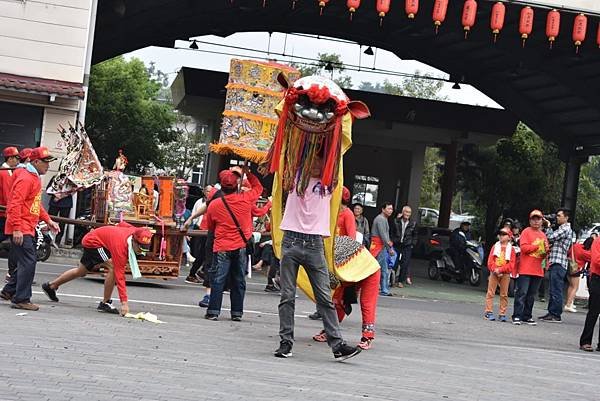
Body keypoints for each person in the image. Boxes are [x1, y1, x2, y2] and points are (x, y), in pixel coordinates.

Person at [274, 156, 361, 361]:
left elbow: (337, 156)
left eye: (319, 162)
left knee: (324, 298)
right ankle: (286, 342)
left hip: (315, 245)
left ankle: (337, 345)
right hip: (291, 241)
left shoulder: (328, 185)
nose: (315, 165)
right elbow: (285, 157)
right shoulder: (293, 179)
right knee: (287, 296)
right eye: (311, 161)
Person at [312, 187, 381, 350]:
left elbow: (350, 240)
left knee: (366, 303)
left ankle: (367, 336)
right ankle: (330, 331)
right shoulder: (330, 213)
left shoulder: (347, 214)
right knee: (339, 299)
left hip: (360, 265)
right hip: (344, 264)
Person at [42, 224, 152, 315]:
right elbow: (120, 276)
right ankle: (105, 302)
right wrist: (124, 303)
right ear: (133, 240)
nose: (141, 252)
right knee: (113, 267)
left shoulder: (134, 232)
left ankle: (51, 286)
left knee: (81, 271)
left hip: (98, 240)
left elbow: (124, 225)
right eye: (140, 248)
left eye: (144, 249)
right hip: (93, 243)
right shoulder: (120, 248)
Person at [0, 147, 60, 310]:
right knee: (29, 261)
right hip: (22, 226)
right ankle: (21, 299)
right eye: (45, 162)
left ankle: (8, 291)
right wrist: (17, 228)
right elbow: (14, 204)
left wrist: (48, 220)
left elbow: (34, 204)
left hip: (26, 226)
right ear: (35, 162)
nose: (48, 166)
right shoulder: (27, 178)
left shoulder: (32, 176)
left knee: (26, 261)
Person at [204, 167, 262, 321]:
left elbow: (211, 227)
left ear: (221, 186)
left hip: (222, 246)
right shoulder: (246, 199)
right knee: (239, 280)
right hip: (241, 246)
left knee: (218, 279)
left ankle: (213, 311)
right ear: (236, 185)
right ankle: (237, 313)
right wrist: (248, 173)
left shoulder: (214, 204)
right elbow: (258, 188)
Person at [511, 210, 549, 326]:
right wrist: (538, 246)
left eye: (538, 219)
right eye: (534, 219)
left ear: (542, 221)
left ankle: (527, 316)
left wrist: (546, 251)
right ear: (530, 220)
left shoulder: (543, 235)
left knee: (531, 294)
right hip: (526, 268)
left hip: (538, 269)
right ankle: (517, 315)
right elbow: (524, 248)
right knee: (522, 292)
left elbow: (544, 253)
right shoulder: (526, 232)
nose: (536, 221)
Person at [539, 208, 573, 323]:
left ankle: (556, 314)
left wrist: (548, 226)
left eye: (559, 215)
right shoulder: (562, 228)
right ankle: (551, 312)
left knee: (556, 289)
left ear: (566, 217)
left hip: (559, 262)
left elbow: (550, 237)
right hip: (555, 262)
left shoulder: (566, 229)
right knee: (553, 289)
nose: (557, 217)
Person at [484, 228, 516, 322]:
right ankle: (488, 311)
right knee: (490, 292)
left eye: (504, 234)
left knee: (504, 294)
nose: (501, 236)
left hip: (505, 273)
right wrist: (495, 269)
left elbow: (511, 264)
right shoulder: (495, 246)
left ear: (509, 237)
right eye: (500, 234)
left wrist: (501, 270)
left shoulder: (512, 249)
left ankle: (502, 313)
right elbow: (490, 261)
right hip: (494, 272)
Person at [183, 185, 213, 284]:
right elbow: (195, 214)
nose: (209, 193)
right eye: (208, 191)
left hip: (208, 229)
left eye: (211, 191)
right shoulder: (204, 202)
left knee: (204, 254)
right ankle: (199, 274)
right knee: (204, 254)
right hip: (204, 229)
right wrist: (191, 221)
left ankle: (199, 272)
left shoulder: (213, 201)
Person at [580, 235, 600, 352]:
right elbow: (597, 261)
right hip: (598, 278)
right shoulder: (597, 241)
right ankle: (586, 341)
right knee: (594, 311)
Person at [371, 202, 395, 296]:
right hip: (379, 246)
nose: (390, 211)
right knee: (379, 268)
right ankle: (383, 289)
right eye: (389, 209)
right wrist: (390, 248)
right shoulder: (381, 219)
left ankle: (384, 288)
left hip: (381, 246)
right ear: (383, 209)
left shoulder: (383, 219)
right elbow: (383, 235)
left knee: (382, 269)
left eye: (391, 209)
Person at [391, 205, 418, 287]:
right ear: (402, 212)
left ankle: (400, 281)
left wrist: (413, 244)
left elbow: (415, 235)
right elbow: (391, 232)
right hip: (396, 244)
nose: (407, 214)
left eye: (409, 212)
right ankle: (391, 280)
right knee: (394, 263)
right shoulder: (396, 221)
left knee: (405, 263)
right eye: (406, 212)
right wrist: (392, 240)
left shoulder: (413, 223)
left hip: (407, 246)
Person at [565, 237, 593, 313]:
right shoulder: (587, 253)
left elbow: (569, 252)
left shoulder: (576, 246)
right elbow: (591, 260)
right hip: (576, 269)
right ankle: (568, 305)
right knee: (575, 287)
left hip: (568, 266)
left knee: (570, 286)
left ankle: (569, 302)